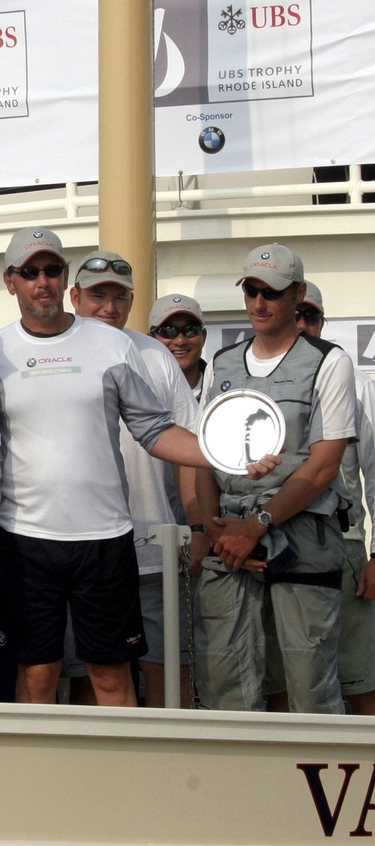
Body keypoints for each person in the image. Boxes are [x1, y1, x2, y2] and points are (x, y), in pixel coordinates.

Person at [0, 227, 277, 707]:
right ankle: (42, 780)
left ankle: (127, 782)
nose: (43, 281)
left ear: (64, 277)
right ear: (10, 281)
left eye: (52, 269)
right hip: (25, 539)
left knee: (111, 676)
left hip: (105, 538)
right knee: (37, 675)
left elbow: (155, 430)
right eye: (30, 272)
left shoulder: (110, 345)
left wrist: (230, 455)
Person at [197, 244, 355, 714]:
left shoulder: (330, 361)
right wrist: (213, 528)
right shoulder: (221, 365)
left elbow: (325, 464)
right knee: (228, 677)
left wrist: (259, 524)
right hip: (231, 538)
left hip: (302, 536)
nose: (260, 303)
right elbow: (205, 458)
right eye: (252, 290)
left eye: (273, 292)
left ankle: (316, 784)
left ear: (297, 295)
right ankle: (236, 784)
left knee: (310, 681)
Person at [69, 251, 200, 707]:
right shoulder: (55, 351)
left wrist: (198, 529)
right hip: (80, 551)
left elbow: (188, 450)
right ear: (75, 296)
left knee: (168, 678)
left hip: (155, 552)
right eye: (97, 295)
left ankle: (168, 772)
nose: (109, 306)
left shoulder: (156, 354)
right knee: (88, 677)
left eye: (119, 297)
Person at [288, 279, 375, 714]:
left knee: (357, 676)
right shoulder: (253, 377)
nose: (302, 324)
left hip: (346, 547)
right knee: (288, 681)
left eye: (311, 316)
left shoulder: (352, 382)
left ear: (323, 322)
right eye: (296, 314)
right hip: (280, 543)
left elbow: (373, 473)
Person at [149, 294, 209, 400]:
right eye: (168, 330)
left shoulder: (222, 388)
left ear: (203, 336)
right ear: (150, 339)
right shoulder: (137, 392)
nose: (180, 341)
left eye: (190, 329)